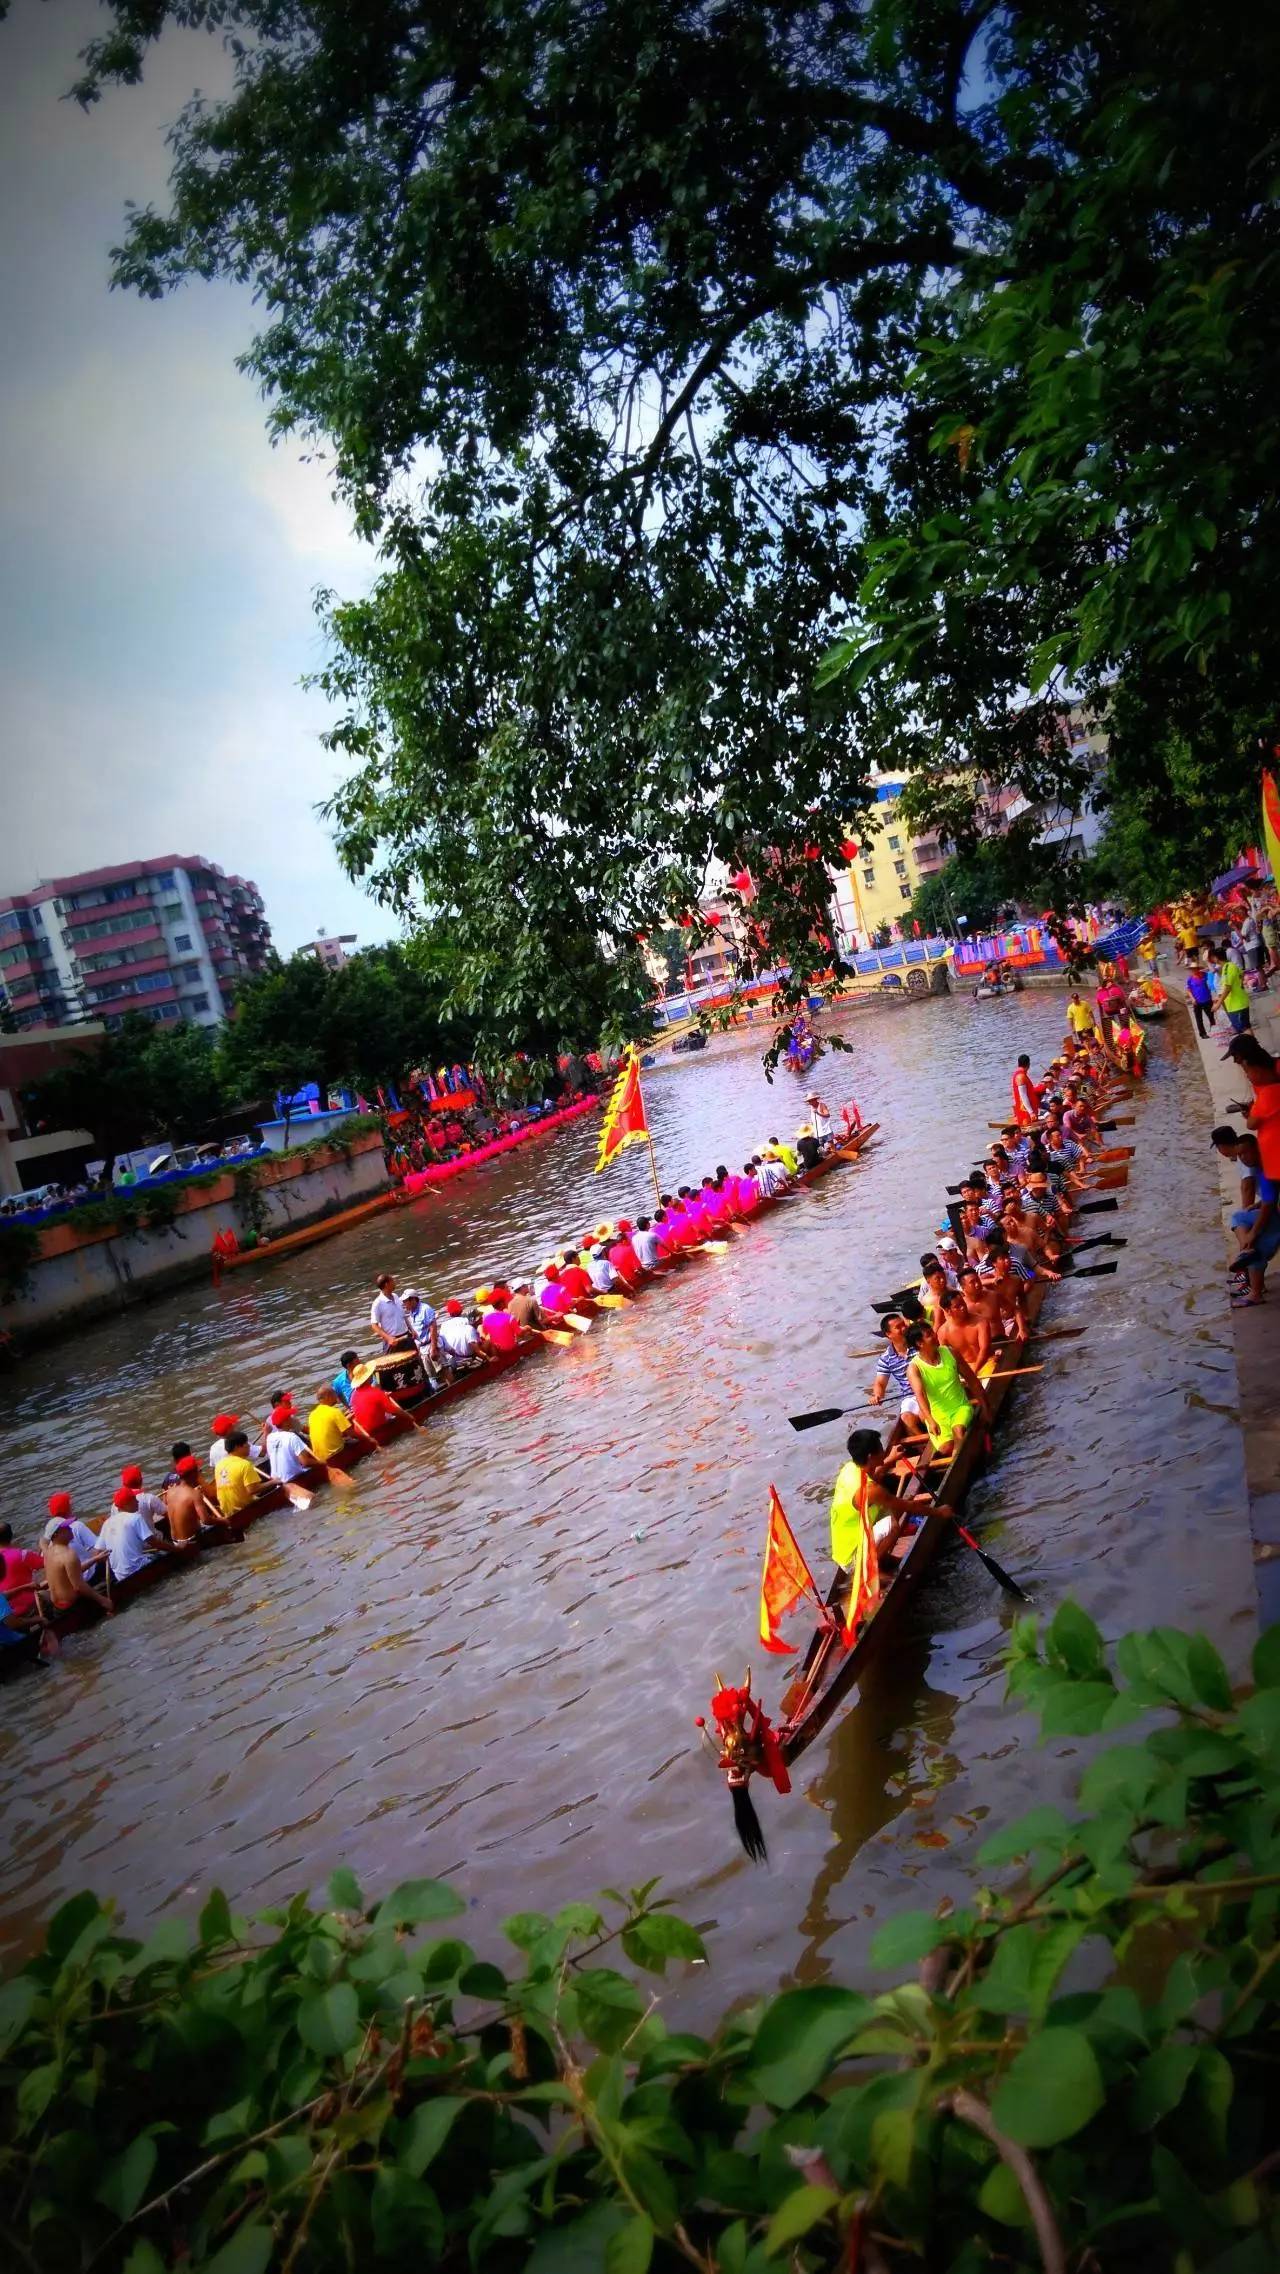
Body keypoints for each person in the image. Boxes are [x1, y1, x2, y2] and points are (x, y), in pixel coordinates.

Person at [830, 1429, 949, 1620]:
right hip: (853, 1557)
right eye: (881, 1450)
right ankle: (869, 1572)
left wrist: (890, 1459)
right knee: (894, 1523)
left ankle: (873, 1562)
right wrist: (938, 1512)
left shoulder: (849, 1469)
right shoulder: (870, 1490)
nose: (884, 1451)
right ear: (870, 1456)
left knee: (888, 1510)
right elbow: (906, 1506)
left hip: (842, 1550)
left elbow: (872, 1476)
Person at [1211, 1124, 1280, 1307]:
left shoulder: (1265, 1170)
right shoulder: (1266, 1164)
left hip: (1276, 1215)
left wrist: (1253, 1232)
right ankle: (1248, 1262)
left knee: (1248, 1230)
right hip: (1273, 1210)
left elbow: (1268, 1205)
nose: (1242, 1158)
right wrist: (1256, 1206)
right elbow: (1268, 1199)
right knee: (1244, 1221)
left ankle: (1254, 1291)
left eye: (1245, 1154)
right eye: (1240, 1155)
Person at [906, 1319, 988, 1453]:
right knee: (946, 1449)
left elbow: (972, 1380)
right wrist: (930, 1420)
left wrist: (985, 1407)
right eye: (929, 1335)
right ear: (919, 1343)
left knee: (958, 1431)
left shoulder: (950, 1352)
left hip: (960, 1407)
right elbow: (920, 1396)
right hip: (938, 1416)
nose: (935, 1335)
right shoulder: (914, 1368)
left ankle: (960, 1459)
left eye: (932, 1331)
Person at [869, 1315, 928, 1449]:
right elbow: (880, 1383)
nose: (904, 1328)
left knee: (924, 1415)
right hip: (909, 1396)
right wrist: (877, 1396)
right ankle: (926, 1447)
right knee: (906, 1418)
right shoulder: (885, 1358)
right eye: (898, 1327)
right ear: (888, 1334)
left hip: (928, 1390)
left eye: (904, 1324)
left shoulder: (918, 1344)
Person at [99, 1486, 173, 1582]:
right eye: (134, 1499)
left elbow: (96, 1554)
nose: (137, 1502)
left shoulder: (107, 1523)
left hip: (120, 1576)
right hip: (138, 1569)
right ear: (126, 1504)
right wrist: (176, 1548)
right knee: (165, 1553)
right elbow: (154, 1543)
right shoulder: (135, 1518)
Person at [41, 1520, 114, 1616]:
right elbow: (79, 1586)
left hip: (58, 1605)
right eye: (66, 1528)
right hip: (72, 1606)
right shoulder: (68, 1554)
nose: (70, 1528)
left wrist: (96, 1559)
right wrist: (103, 1601)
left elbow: (74, 1571)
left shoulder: (48, 1553)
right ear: (56, 1534)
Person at [264, 1402, 320, 1508]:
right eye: (289, 1417)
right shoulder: (292, 1437)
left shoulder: (270, 1438)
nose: (292, 1418)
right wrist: (322, 1462)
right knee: (316, 1501)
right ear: (286, 1422)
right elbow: (305, 1462)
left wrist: (265, 1432)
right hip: (292, 1479)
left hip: (277, 1483)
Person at [43, 1493, 108, 1582]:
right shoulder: (77, 1526)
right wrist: (106, 1528)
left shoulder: (49, 1533)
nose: (72, 1506)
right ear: (67, 1508)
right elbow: (100, 1549)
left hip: (69, 1580)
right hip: (87, 1576)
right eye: (70, 1505)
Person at [308, 1382, 379, 1463]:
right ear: (328, 1396)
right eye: (334, 1394)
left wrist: (344, 1417)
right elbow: (351, 1433)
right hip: (336, 1454)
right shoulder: (334, 1412)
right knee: (360, 1443)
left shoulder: (312, 1415)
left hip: (320, 1458)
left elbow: (329, 1427)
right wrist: (369, 1439)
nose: (336, 1397)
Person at [350, 1364, 429, 1436]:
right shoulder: (376, 1392)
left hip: (361, 1432)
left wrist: (383, 1397)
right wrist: (409, 1416)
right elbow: (394, 1410)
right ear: (368, 1377)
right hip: (376, 1429)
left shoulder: (353, 1395)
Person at [165, 1455, 224, 1544]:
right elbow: (206, 1520)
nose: (199, 1471)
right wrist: (223, 1520)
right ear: (193, 1473)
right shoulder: (194, 1494)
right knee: (220, 1524)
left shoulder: (170, 1491)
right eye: (197, 1469)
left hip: (175, 1541)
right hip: (191, 1542)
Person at [214, 1429, 269, 1518]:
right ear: (236, 1448)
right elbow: (253, 1490)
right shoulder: (245, 1465)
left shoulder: (219, 1465)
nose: (248, 1446)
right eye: (246, 1444)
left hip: (227, 1512)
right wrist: (274, 1482)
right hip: (243, 1510)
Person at [938, 1286, 993, 1373]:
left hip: (986, 1363)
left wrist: (974, 1371)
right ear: (948, 1310)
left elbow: (985, 1349)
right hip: (966, 1369)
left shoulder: (981, 1321)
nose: (963, 1308)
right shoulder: (943, 1332)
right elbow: (945, 1358)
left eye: (963, 1303)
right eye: (957, 1307)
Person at [0, 1524, 45, 1619]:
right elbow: (47, 1562)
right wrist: (44, 1547)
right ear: (11, 1535)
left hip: (5, 1613)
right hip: (28, 1607)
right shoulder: (23, 1555)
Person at [1210, 943, 1252, 1035]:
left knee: (1245, 1029)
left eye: (1212, 958)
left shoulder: (1227, 968)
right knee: (1244, 1028)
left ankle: (1253, 1047)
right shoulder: (1230, 966)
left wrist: (1218, 1004)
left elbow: (1227, 988)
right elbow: (1240, 977)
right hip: (1236, 1003)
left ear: (1216, 958)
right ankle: (1251, 1047)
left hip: (1237, 1004)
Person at [370, 1273, 414, 1352]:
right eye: (392, 1281)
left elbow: (403, 1316)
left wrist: (412, 1330)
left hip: (406, 1336)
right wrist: (388, 1338)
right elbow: (374, 1325)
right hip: (393, 1341)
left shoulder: (396, 1296)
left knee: (415, 1362)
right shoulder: (378, 1303)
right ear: (387, 1284)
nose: (395, 1283)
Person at [1011, 1055, 1043, 1127]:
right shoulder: (1021, 1076)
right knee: (1027, 1128)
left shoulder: (1020, 1074)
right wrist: (1031, 1112)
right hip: (1025, 1110)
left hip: (1026, 1108)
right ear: (1028, 1064)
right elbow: (1023, 1095)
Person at [1185, 962, 1213, 1037]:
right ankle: (1203, 1034)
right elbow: (1188, 990)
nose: (1194, 970)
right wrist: (1192, 998)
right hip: (1196, 1001)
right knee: (1199, 1018)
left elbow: (1211, 978)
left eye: (1195, 969)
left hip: (1207, 999)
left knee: (1211, 1016)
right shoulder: (1190, 979)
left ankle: (1214, 1030)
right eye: (1192, 969)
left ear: (1198, 969)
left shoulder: (1205, 975)